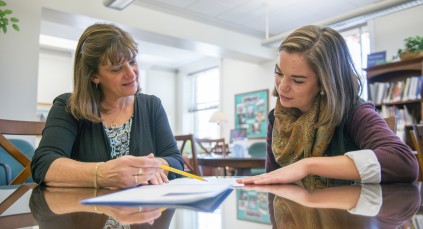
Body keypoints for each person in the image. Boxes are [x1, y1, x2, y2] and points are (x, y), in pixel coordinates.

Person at [237, 25, 418, 185]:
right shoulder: (276, 118)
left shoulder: (354, 111)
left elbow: (404, 163)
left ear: (325, 83)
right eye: (279, 72)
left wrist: (308, 165)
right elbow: (273, 181)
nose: (282, 86)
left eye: (298, 81)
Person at [31, 23, 183, 189]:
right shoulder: (67, 107)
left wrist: (155, 165)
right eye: (117, 69)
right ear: (94, 76)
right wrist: (103, 173)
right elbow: (43, 164)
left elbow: (175, 160)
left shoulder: (152, 105)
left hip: (143, 212)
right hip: (85, 212)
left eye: (132, 62)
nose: (131, 74)